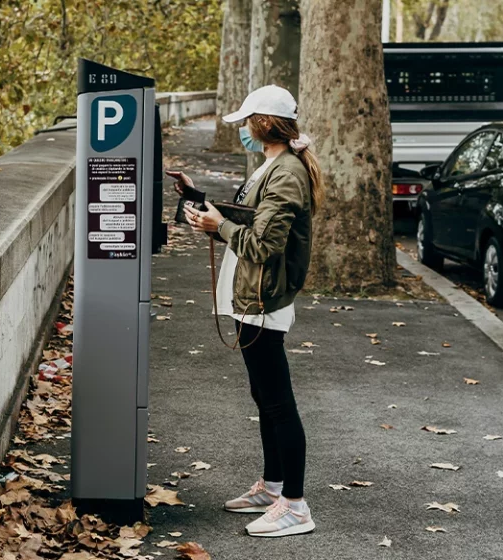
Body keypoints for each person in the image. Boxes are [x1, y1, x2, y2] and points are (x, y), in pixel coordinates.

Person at [166, 85, 324, 538]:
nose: (243, 131)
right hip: (252, 294)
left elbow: (263, 244)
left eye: (246, 123)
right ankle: (273, 487)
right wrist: (201, 202)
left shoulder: (286, 173)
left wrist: (219, 227)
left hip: (263, 297)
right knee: (263, 395)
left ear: (264, 124)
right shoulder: (271, 166)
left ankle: (295, 505)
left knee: (278, 402)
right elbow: (250, 219)